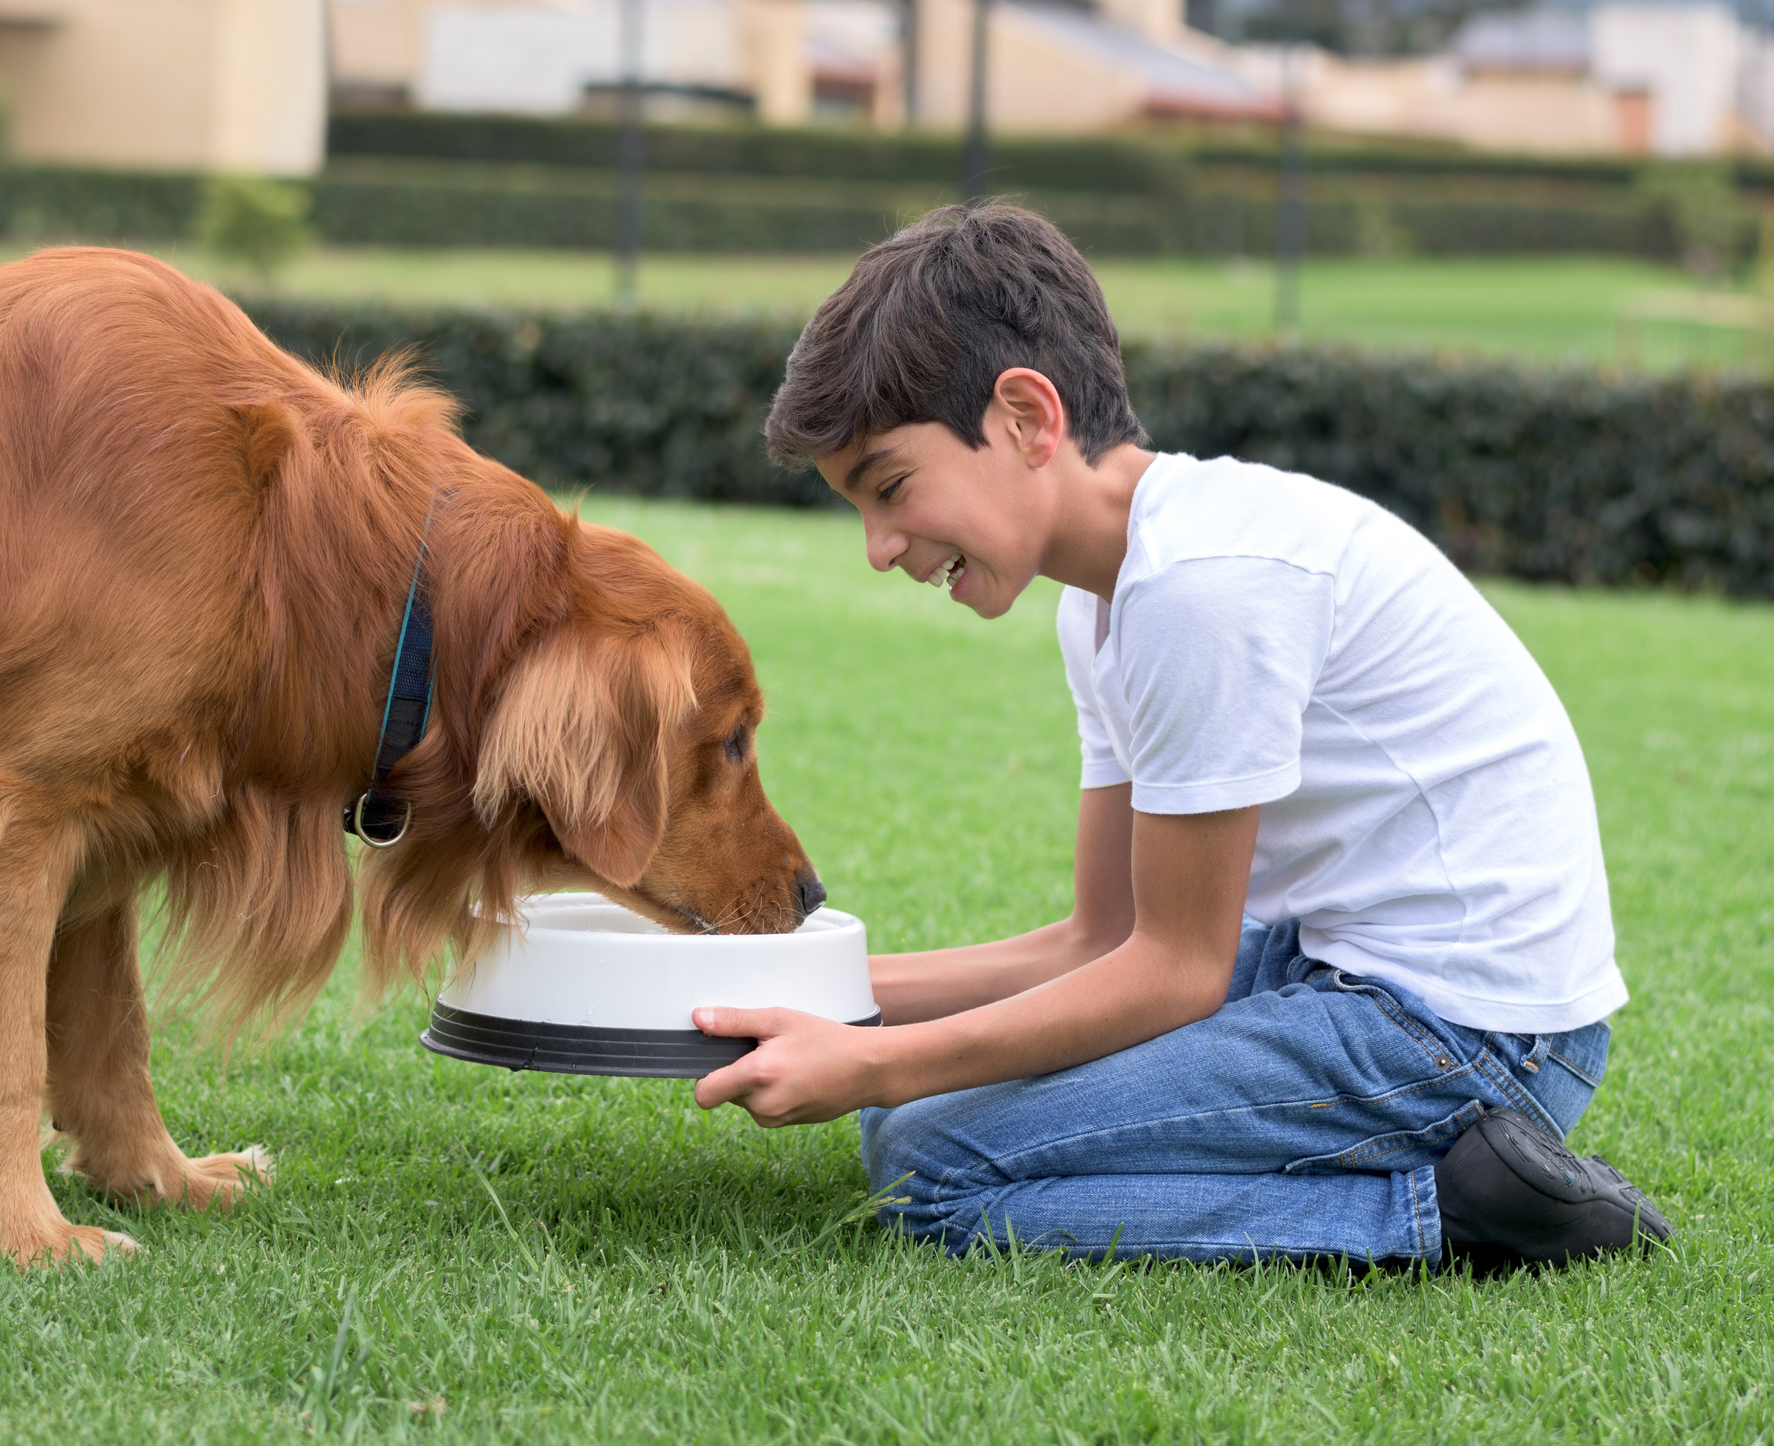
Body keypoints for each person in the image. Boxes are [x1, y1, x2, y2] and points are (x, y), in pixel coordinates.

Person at [688, 203, 1671, 1272]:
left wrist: (875, 1065)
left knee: (930, 1169)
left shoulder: (1201, 592)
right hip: (1342, 974)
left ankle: (1450, 1209)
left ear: (1026, 417)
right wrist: (813, 996)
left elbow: (1176, 971)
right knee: (915, 1112)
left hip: (1474, 1038)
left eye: (890, 487)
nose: (880, 548)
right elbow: (1099, 938)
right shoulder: (1105, 601)